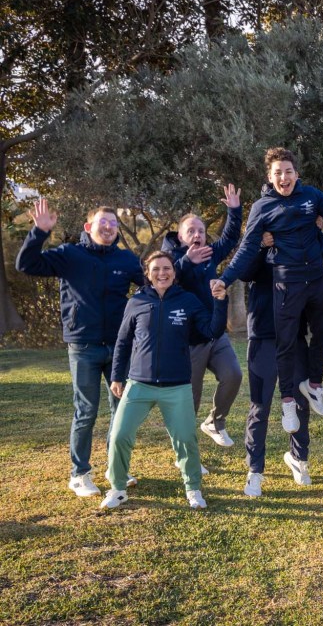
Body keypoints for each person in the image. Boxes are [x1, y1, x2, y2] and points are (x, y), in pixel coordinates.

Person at [211, 148, 323, 433]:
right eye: (278, 172)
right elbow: (246, 248)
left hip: (316, 279)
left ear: (296, 174)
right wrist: (225, 279)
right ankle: (288, 401)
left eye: (288, 171)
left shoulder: (311, 195)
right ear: (270, 176)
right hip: (287, 282)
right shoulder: (262, 207)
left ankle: (314, 384)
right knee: (286, 342)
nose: (283, 177)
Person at [16, 199, 144, 497]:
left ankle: (116, 467)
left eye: (113, 224)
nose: (109, 228)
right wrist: (39, 232)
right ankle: (80, 474)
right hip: (83, 345)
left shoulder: (126, 260)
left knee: (122, 410)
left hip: (118, 347)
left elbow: (150, 285)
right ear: (89, 227)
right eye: (103, 223)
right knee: (86, 411)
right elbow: (26, 264)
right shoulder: (70, 255)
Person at [100, 251, 228, 510]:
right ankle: (118, 488)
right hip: (139, 384)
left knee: (186, 440)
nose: (162, 273)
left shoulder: (188, 300)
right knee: (119, 435)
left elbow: (211, 331)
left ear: (174, 272)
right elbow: (123, 341)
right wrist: (116, 376)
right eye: (156, 269)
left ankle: (193, 488)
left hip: (177, 385)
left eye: (167, 268)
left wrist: (221, 302)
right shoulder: (136, 302)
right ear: (148, 274)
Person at [160, 185, 243, 447]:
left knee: (233, 375)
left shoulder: (209, 253)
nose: (197, 235)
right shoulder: (170, 258)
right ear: (180, 236)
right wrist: (187, 261)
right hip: (188, 340)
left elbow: (230, 239)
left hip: (215, 333)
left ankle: (215, 422)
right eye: (191, 231)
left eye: (201, 231)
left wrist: (234, 210)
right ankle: (184, 450)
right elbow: (165, 280)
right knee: (190, 398)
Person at [237, 232, 319, 497]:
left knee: (300, 401)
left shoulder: (301, 243)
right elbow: (243, 272)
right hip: (262, 336)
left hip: (293, 337)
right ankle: (255, 470)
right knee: (260, 405)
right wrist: (262, 245)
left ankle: (298, 458)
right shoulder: (259, 242)